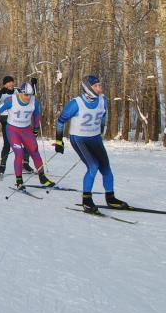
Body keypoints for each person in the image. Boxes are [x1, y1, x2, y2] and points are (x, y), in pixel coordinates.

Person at [54, 75, 128, 213]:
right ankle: (86, 200)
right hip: (79, 139)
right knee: (93, 166)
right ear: (88, 88)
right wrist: (59, 141)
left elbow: (104, 116)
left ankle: (110, 198)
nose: (99, 88)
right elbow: (61, 121)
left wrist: (101, 130)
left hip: (95, 138)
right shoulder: (76, 103)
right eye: (96, 86)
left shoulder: (103, 100)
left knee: (106, 168)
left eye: (100, 85)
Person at [0, 82, 54, 189]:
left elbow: (36, 115)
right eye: (26, 95)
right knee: (19, 153)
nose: (28, 97)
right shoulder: (11, 100)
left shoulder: (34, 102)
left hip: (26, 130)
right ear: (21, 93)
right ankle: (19, 180)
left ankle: (42, 177)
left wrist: (36, 128)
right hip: (13, 130)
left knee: (35, 152)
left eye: (30, 95)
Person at [0, 76, 32, 178]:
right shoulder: (2, 93)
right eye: (8, 83)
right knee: (7, 144)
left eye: (12, 82)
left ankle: (25, 164)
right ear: (4, 84)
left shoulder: (18, 91)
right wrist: (0, 92)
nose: (10, 84)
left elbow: (29, 96)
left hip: (19, 120)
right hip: (6, 120)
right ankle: (2, 166)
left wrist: (34, 85)